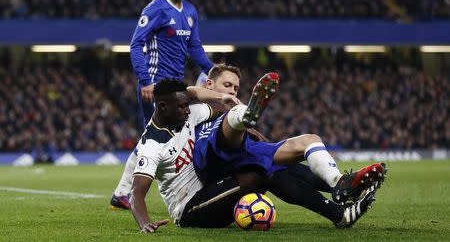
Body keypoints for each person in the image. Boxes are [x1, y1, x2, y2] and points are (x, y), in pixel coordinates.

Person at [130, 77, 383, 233]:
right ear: (163, 107)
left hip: (212, 180)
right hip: (191, 208)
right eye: (182, 106)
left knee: (266, 161)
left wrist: (226, 101)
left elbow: (195, 96)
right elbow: (136, 194)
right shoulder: (152, 145)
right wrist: (144, 223)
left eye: (187, 104)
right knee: (259, 174)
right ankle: (339, 215)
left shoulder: (188, 113)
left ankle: (343, 188)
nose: (188, 110)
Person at [111, 0, 213, 208]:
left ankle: (123, 192)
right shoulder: (155, 9)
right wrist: (145, 81)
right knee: (161, 137)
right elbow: (136, 45)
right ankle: (142, 192)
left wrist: (211, 69)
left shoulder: (189, 11)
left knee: (154, 138)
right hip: (156, 86)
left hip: (176, 88)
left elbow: (194, 46)